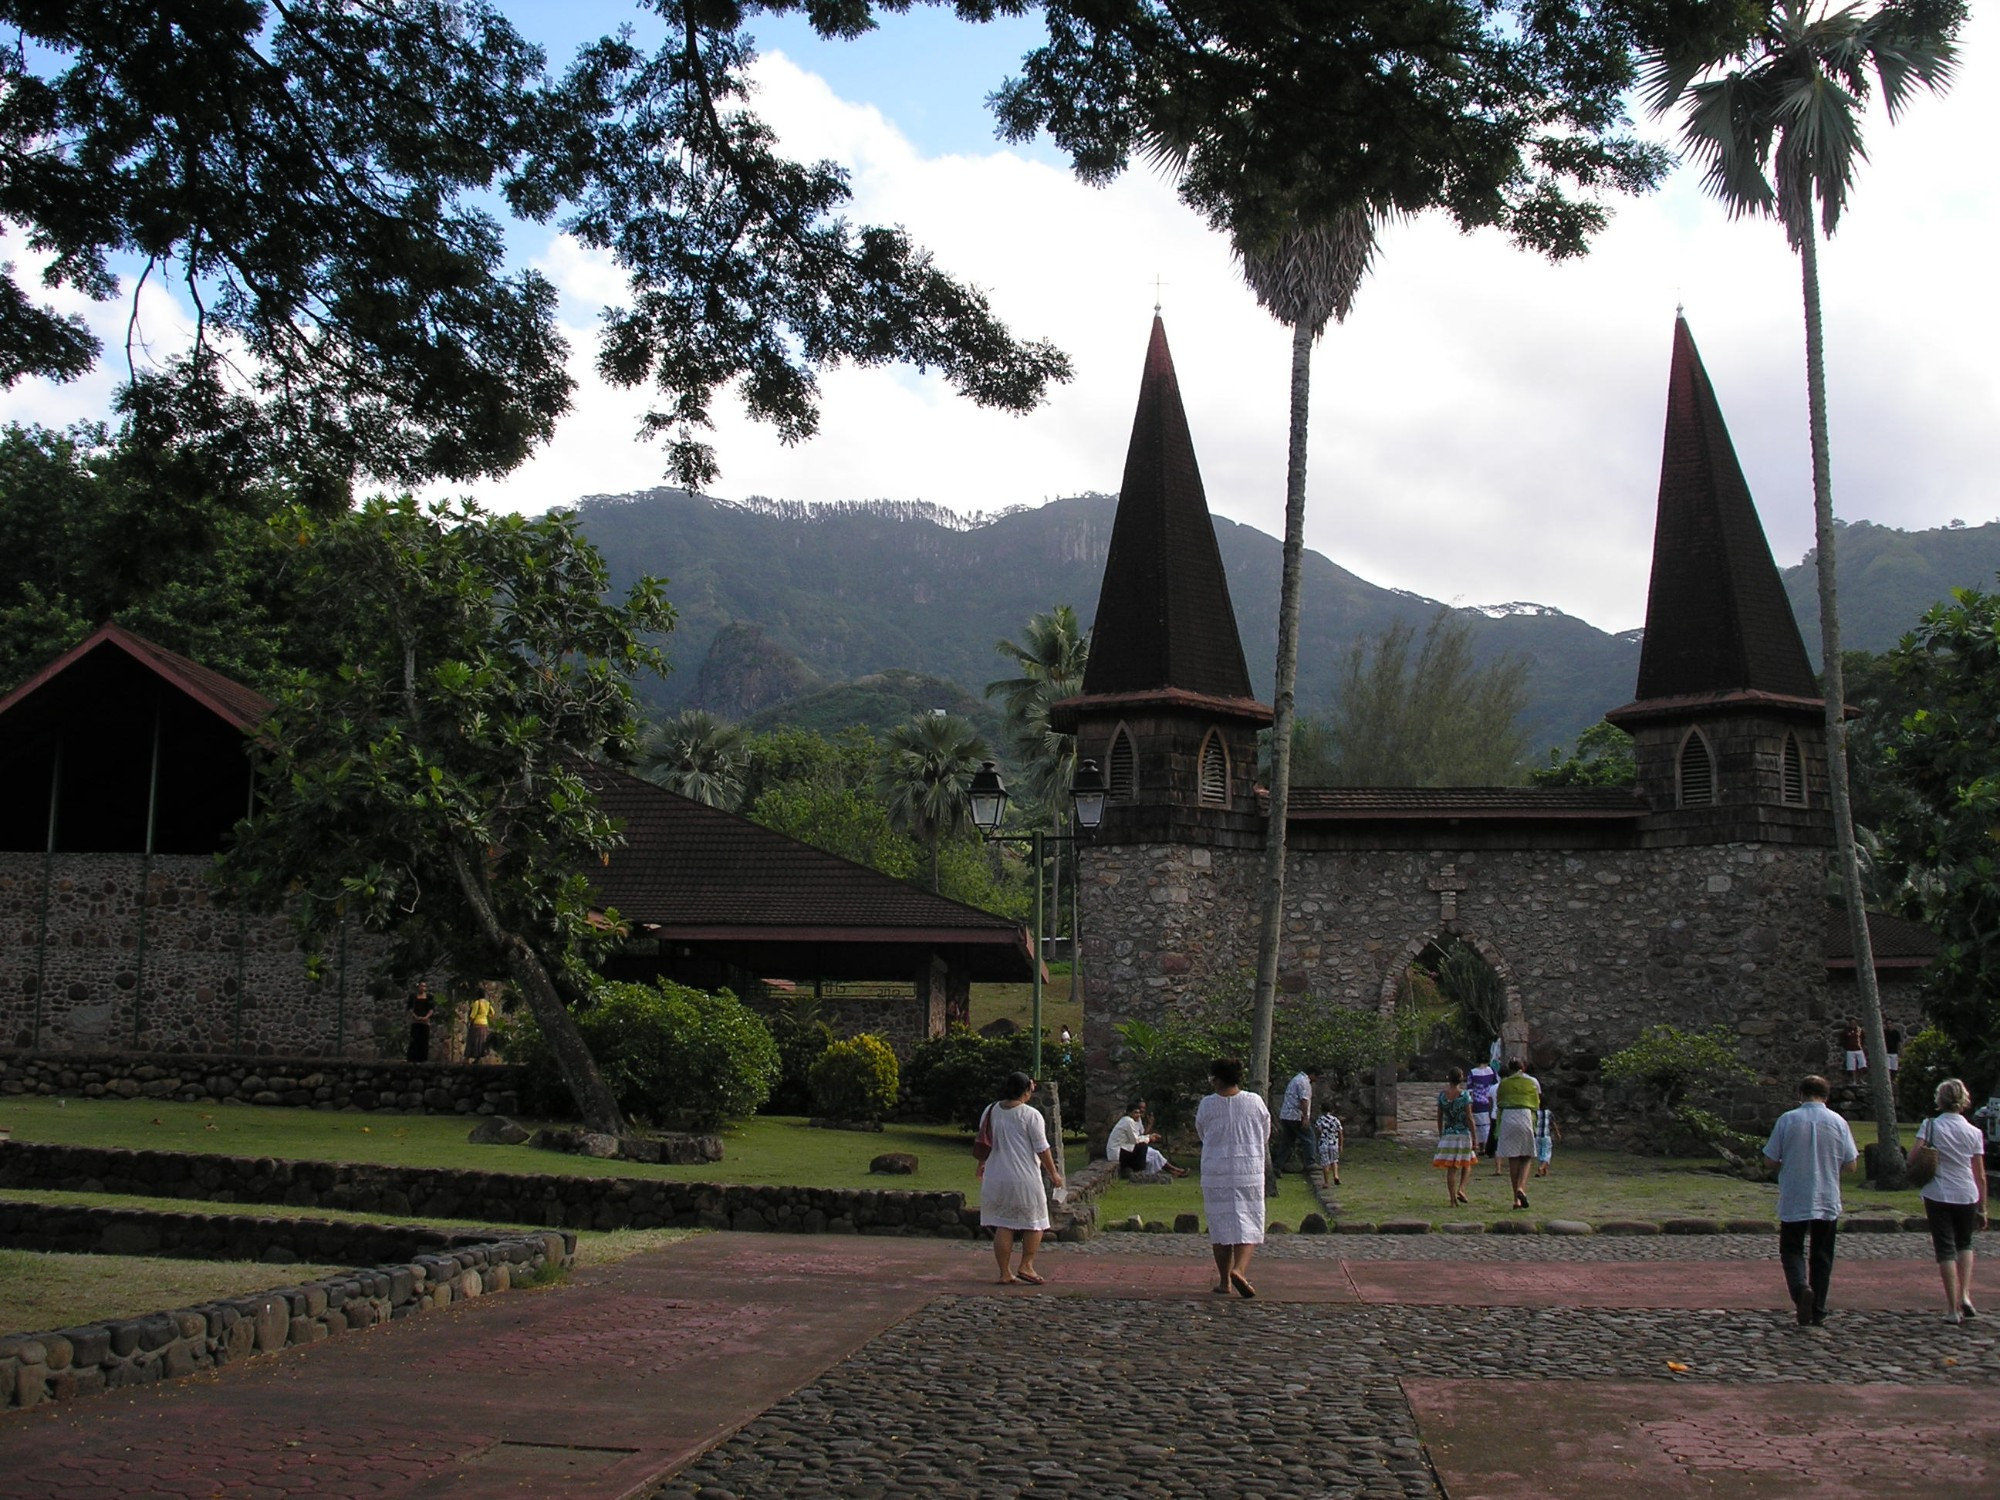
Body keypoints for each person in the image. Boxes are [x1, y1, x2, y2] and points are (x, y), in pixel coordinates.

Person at [1763, 1075, 1858, 1329]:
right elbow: (1851, 1164)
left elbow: (1770, 1159)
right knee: (1822, 1254)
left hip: (1795, 1193)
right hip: (1826, 1194)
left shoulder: (1788, 1120)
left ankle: (1800, 1288)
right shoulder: (1838, 1122)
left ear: (1801, 1094)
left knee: (1792, 1249)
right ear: (1826, 1096)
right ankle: (1818, 1308)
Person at [978, 1071, 1064, 1285]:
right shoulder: (1030, 1115)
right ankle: (1027, 1265)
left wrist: (981, 1164)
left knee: (1003, 1224)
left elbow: (984, 1140)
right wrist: (1053, 1173)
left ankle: (1004, 1272)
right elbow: (1042, 1148)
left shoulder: (990, 1110)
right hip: (1024, 1176)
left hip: (996, 1175)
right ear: (1026, 1090)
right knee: (1035, 1222)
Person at [1196, 1056, 1270, 1298]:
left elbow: (1202, 1132)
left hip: (1216, 1171)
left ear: (1216, 1079)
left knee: (1220, 1225)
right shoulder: (1255, 1102)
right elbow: (1265, 1132)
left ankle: (1224, 1281)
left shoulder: (1207, 1105)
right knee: (1249, 1221)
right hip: (1247, 1169)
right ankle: (1239, 1269)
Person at [1915, 1078, 1988, 1324]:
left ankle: (1952, 1307)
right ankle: (1965, 1294)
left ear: (1940, 1100)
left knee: (1945, 1248)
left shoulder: (1930, 1126)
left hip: (1938, 1191)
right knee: (1965, 1244)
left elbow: (1914, 1156)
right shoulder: (1974, 1132)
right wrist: (1983, 1207)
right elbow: (1979, 1173)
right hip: (1966, 1192)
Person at [1493, 1059, 1542, 1209]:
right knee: (1527, 1156)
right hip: (1524, 1115)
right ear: (1523, 1067)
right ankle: (1522, 1186)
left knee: (1513, 1158)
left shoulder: (1504, 1084)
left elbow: (1499, 1102)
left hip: (1508, 1117)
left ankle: (1516, 1199)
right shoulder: (1531, 1082)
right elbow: (1536, 1103)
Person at [1106, 1098, 1188, 1178]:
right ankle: (1142, 1172)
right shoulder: (1128, 1121)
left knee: (1154, 1153)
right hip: (1118, 1152)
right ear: (1129, 1113)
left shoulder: (1135, 1120)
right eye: (1136, 1112)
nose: (1139, 1113)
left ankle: (1175, 1171)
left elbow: (1141, 1135)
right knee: (1146, 1149)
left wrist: (1150, 1132)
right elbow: (1135, 1140)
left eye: (1141, 1110)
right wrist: (1149, 1138)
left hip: (1126, 1148)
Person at [1433, 1068, 1476, 1207]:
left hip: (1448, 1133)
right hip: (1462, 1133)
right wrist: (1475, 1135)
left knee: (1451, 1168)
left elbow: (1439, 1117)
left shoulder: (1442, 1096)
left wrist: (1441, 1133)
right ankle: (1461, 1188)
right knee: (1467, 1162)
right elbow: (1469, 1117)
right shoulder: (1465, 1096)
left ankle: (1452, 1199)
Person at [1273, 1064, 1318, 1178]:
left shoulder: (1296, 1079)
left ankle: (1277, 1166)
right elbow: (1304, 1100)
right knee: (1309, 1138)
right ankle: (1310, 1162)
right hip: (1295, 1116)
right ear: (1312, 1074)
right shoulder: (1304, 1082)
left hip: (1286, 1115)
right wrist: (1306, 1117)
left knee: (1287, 1142)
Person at [1467, 1057, 1499, 1166]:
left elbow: (1470, 1089)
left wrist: (1470, 1103)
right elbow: (1495, 1084)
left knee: (1479, 1126)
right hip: (1489, 1101)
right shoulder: (1492, 1071)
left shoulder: (1472, 1072)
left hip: (1477, 1102)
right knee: (1488, 1126)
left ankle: (1481, 1147)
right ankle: (1486, 1146)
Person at [405, 981, 435, 1064]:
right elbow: (410, 1008)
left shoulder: (429, 997)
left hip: (425, 1022)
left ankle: (423, 1059)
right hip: (415, 1021)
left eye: (424, 986)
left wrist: (426, 1017)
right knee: (414, 1040)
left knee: (424, 1040)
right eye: (421, 986)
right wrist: (415, 1016)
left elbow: (431, 1009)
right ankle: (413, 1058)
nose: (422, 988)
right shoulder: (413, 997)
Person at [1315, 1107, 1343, 1189]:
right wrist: (1340, 1145)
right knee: (1334, 1161)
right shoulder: (1336, 1120)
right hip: (1334, 1143)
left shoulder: (1320, 1119)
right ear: (1331, 1110)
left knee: (1325, 1163)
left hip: (1324, 1143)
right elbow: (1340, 1132)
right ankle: (1336, 1176)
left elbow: (1319, 1130)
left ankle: (1326, 1182)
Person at [1534, 1101, 1562, 1178]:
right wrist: (1557, 1133)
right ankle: (1541, 1168)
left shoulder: (1536, 1112)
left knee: (1540, 1154)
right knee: (1547, 1154)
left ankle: (1544, 1171)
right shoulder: (1548, 1112)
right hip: (1546, 1135)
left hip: (1537, 1136)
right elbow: (1553, 1123)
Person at [465, 991, 496, 1062]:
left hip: (477, 1025)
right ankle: (478, 1058)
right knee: (481, 1041)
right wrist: (487, 1017)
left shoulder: (477, 1003)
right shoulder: (488, 1003)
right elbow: (493, 1013)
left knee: (473, 1040)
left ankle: (467, 1057)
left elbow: (472, 1015)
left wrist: (469, 1022)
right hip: (484, 1024)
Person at [1839, 1018, 1865, 1085]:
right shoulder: (1846, 1031)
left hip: (1859, 1049)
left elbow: (1863, 1038)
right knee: (1851, 1066)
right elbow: (1842, 1039)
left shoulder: (1859, 1030)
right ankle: (1854, 1080)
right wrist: (1846, 1046)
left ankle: (1861, 1079)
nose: (1853, 1024)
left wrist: (1861, 1046)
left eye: (1854, 1023)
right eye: (1851, 1023)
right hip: (1850, 1050)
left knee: (1862, 1064)